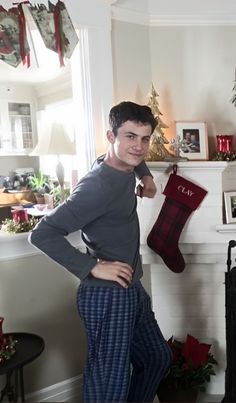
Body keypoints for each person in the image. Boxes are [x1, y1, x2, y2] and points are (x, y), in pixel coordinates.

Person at [29, 101, 172, 402]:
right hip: (106, 294)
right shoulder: (97, 187)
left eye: (144, 138)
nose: (139, 146)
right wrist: (91, 266)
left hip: (131, 288)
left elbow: (132, 157)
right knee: (109, 385)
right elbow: (42, 234)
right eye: (130, 136)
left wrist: (144, 175)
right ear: (111, 136)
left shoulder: (117, 163)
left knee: (157, 358)